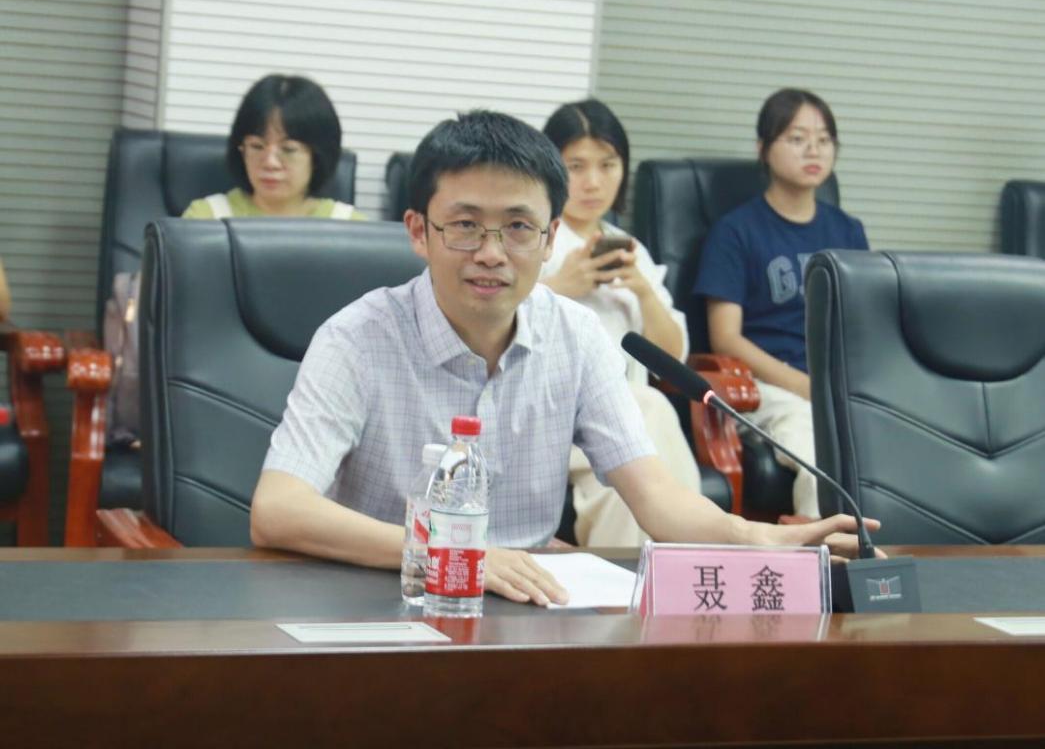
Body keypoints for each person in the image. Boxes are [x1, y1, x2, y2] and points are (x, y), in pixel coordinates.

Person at [250, 109, 878, 607]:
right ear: (419, 231)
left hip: (526, 606)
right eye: (464, 225)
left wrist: (757, 536)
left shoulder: (576, 335)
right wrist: (457, 554)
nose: (492, 252)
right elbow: (278, 510)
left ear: (551, 237)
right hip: (381, 597)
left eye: (518, 227)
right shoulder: (356, 338)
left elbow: (655, 497)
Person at [694, 88, 869, 519]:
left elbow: (866, 325)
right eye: (797, 138)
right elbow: (726, 338)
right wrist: (805, 386)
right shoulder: (735, 232)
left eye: (824, 139)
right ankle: (827, 555)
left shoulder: (848, 231)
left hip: (838, 386)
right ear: (763, 149)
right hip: (767, 388)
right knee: (818, 454)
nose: (814, 149)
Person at [540, 98, 701, 546]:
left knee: (631, 466)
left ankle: (645, 579)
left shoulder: (631, 249)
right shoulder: (530, 236)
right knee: (647, 413)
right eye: (576, 166)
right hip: (554, 416)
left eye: (608, 165)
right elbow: (490, 326)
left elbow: (673, 360)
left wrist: (644, 292)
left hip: (622, 425)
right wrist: (559, 285)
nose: (593, 182)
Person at [182, 74, 364, 220]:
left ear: (316, 157)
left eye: (288, 149)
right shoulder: (207, 218)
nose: (270, 163)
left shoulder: (347, 226)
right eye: (257, 146)